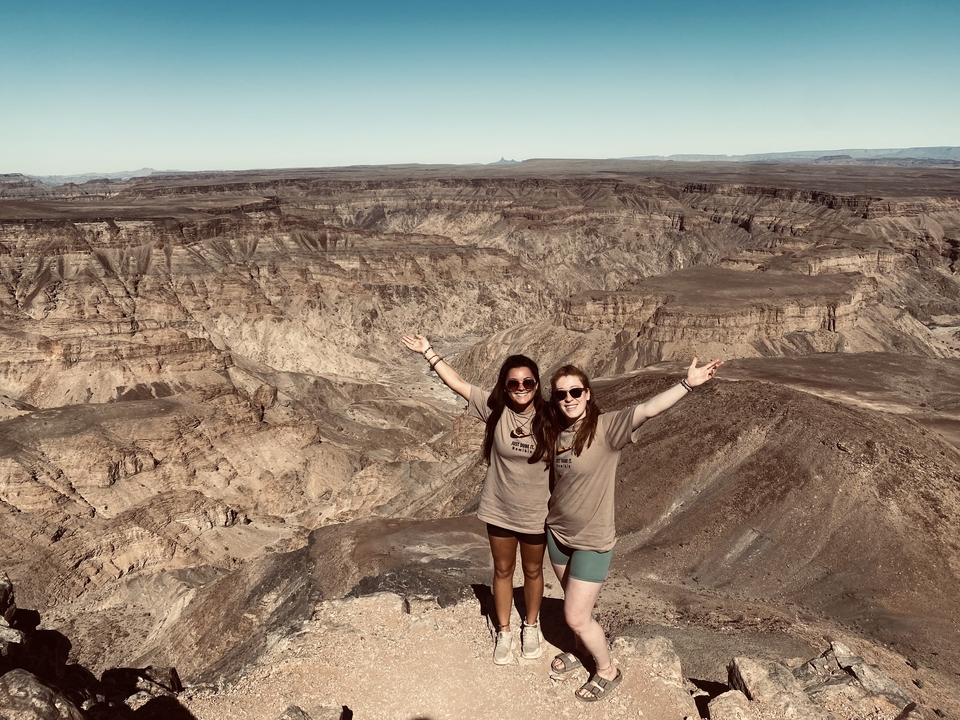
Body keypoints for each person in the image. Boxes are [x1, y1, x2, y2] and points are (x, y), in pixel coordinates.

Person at [545, 357, 723, 702]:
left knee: (575, 614)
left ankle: (607, 670)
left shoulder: (607, 427)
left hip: (592, 541)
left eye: (575, 391)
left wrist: (687, 384)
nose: (568, 398)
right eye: (561, 394)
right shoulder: (557, 431)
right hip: (557, 534)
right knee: (574, 605)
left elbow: (647, 409)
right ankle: (580, 649)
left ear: (587, 394)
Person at [401, 333, 551, 665]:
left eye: (528, 381)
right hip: (499, 508)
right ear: (505, 386)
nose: (521, 387)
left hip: (537, 512)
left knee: (533, 571)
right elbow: (457, 383)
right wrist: (428, 352)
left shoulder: (551, 418)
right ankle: (504, 631)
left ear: (537, 384)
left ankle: (531, 625)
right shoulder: (495, 408)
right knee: (501, 570)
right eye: (514, 383)